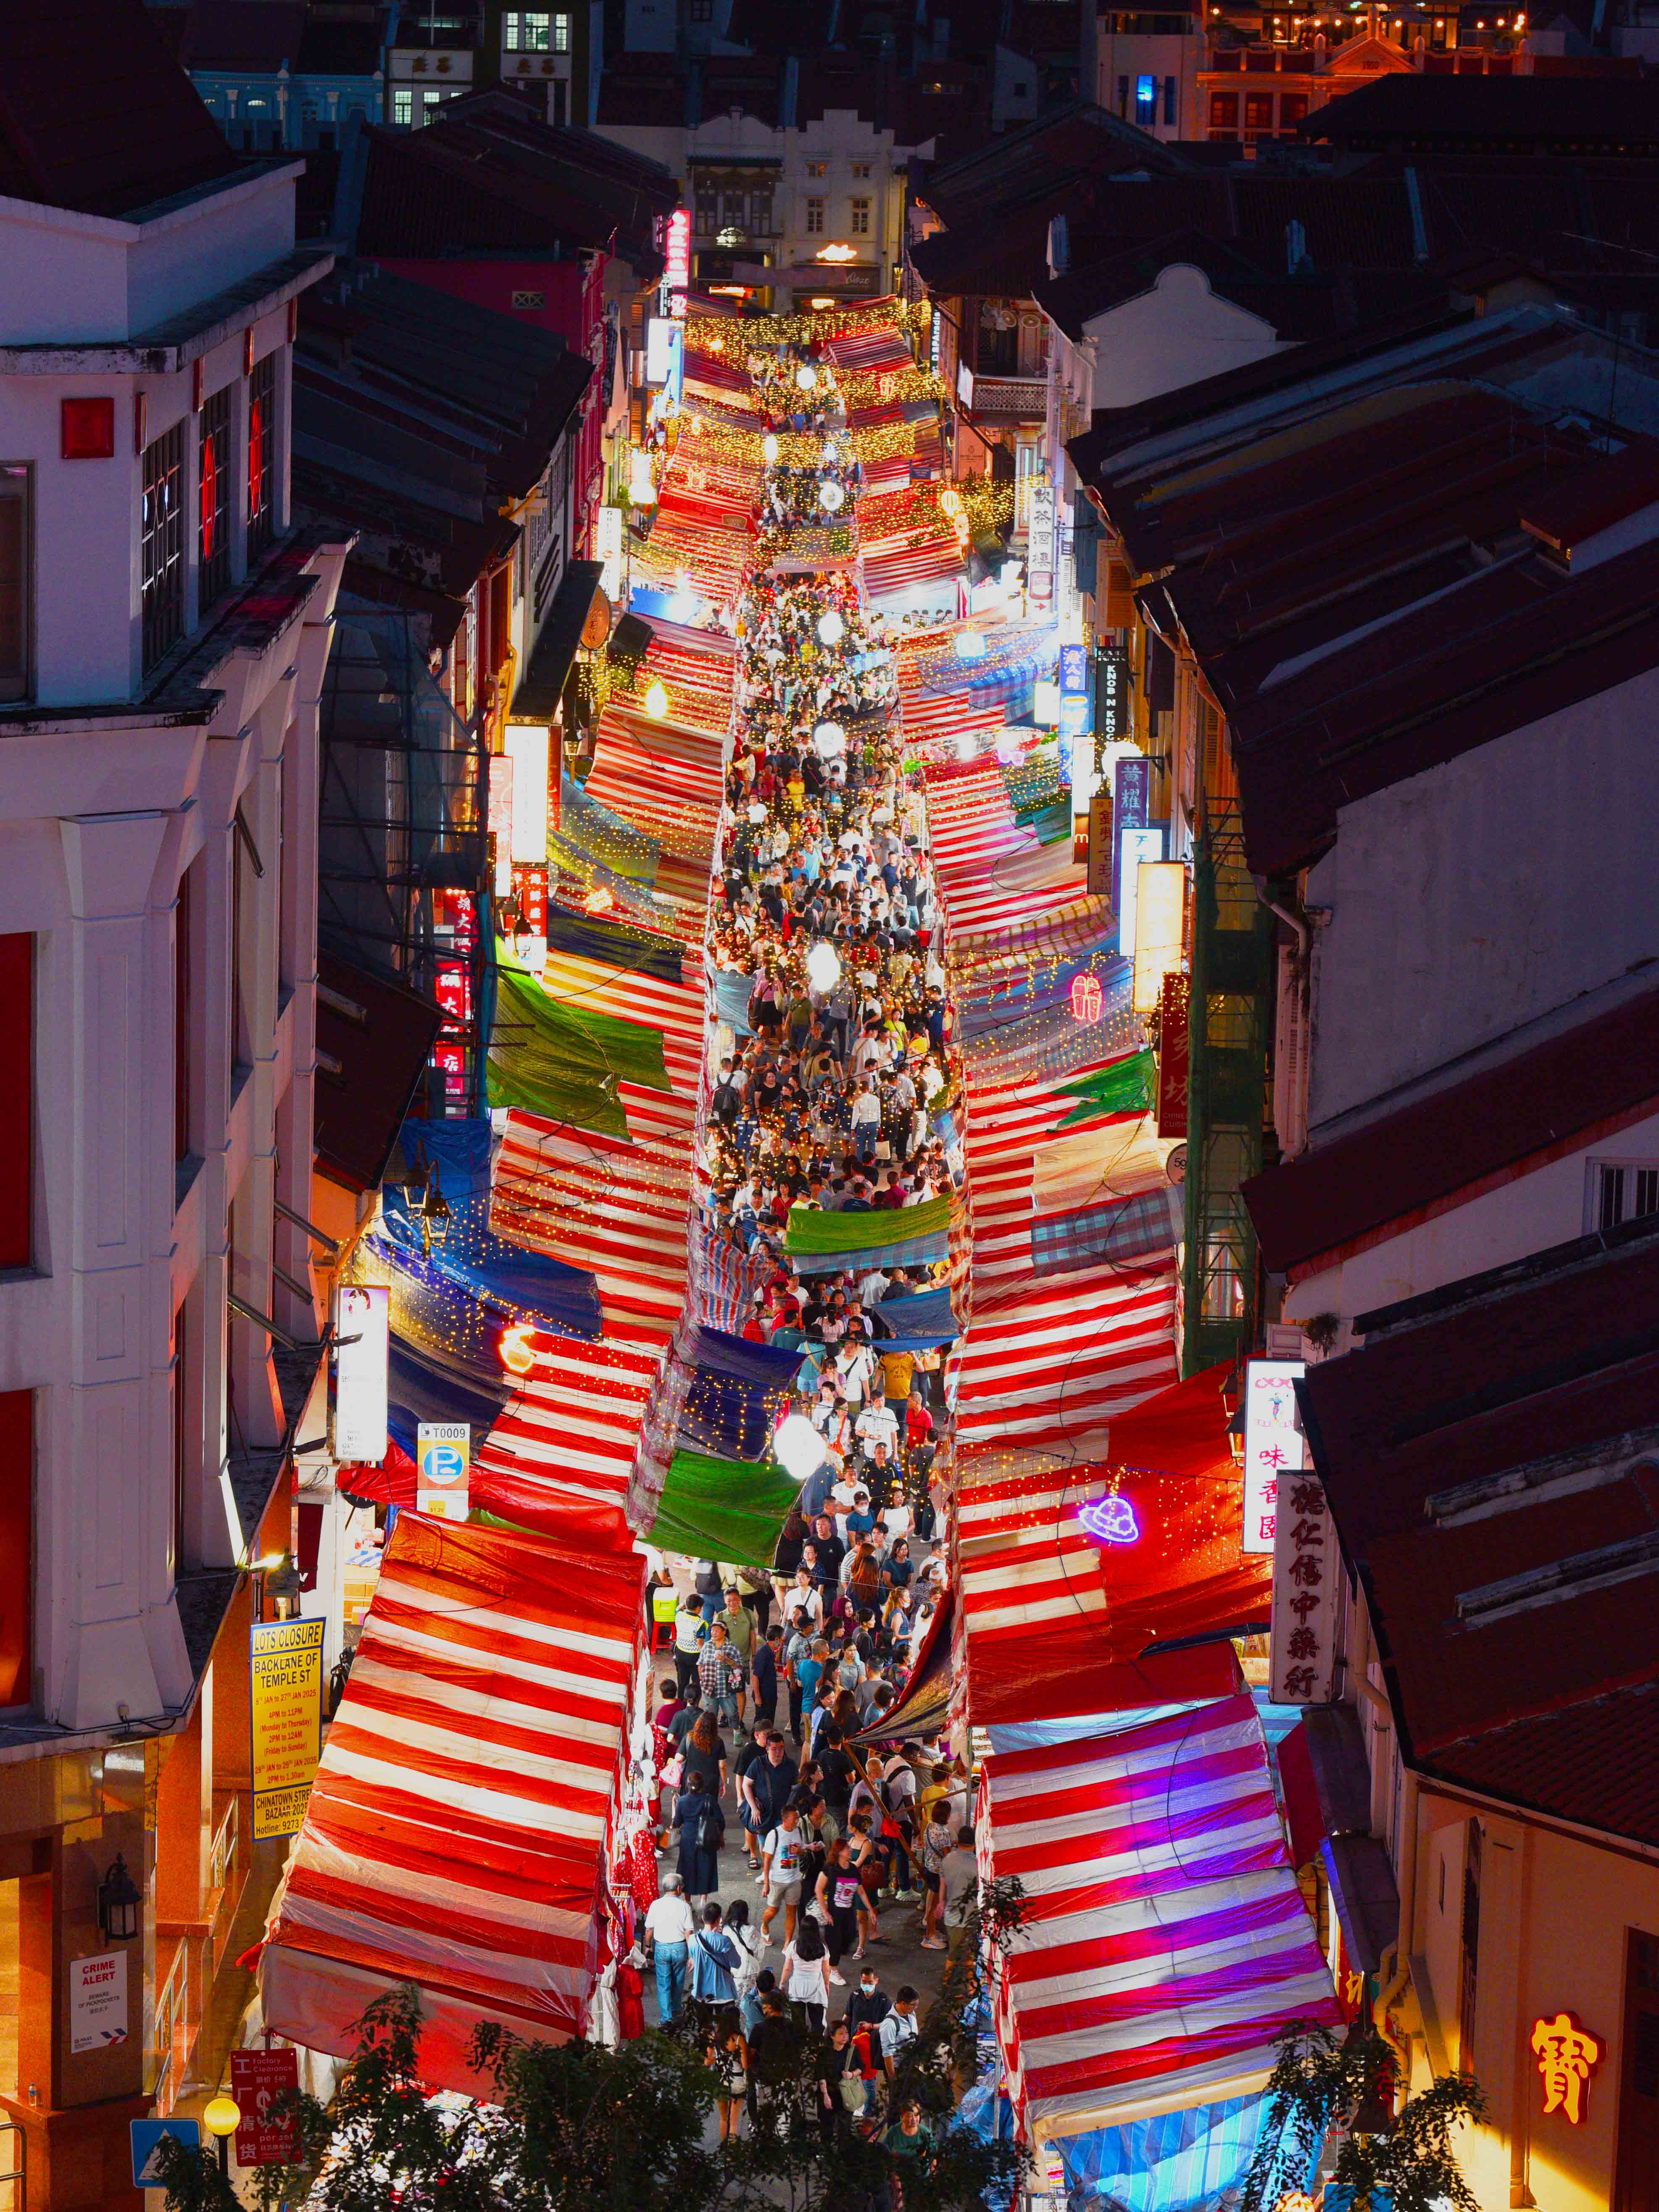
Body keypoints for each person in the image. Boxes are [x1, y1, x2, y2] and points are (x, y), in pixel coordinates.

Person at [643, 1872, 697, 2024]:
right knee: (678, 1982)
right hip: (680, 1949)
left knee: (664, 1983)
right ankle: (676, 2010)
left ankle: (666, 2019)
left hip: (661, 1949)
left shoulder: (656, 1905)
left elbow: (649, 1930)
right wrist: (692, 1955)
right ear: (679, 1889)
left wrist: (647, 1947)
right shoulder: (685, 1906)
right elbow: (689, 1933)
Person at [743, 1731, 800, 1869]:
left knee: (786, 1843)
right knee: (765, 1845)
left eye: (781, 1748)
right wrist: (754, 1809)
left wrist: (792, 1811)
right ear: (767, 1749)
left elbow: (795, 1789)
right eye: (774, 1749)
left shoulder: (790, 1765)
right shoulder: (758, 1764)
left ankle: (785, 1872)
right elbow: (746, 1784)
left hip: (783, 1815)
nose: (778, 1752)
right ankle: (768, 1872)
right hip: (764, 1814)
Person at [673, 1767, 725, 1905]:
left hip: (688, 1839)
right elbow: (721, 1821)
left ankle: (688, 1902)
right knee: (706, 1867)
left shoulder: (682, 1801)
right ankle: (703, 1900)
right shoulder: (710, 1799)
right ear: (703, 1785)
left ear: (688, 1785)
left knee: (687, 1868)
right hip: (707, 1838)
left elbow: (677, 1823)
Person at [759, 1799, 806, 1947]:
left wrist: (800, 1851)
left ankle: (787, 1944)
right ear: (785, 1819)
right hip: (777, 1880)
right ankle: (765, 1925)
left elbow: (803, 1852)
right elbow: (767, 1861)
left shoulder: (799, 1831)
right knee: (773, 1911)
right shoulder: (775, 1835)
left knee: (792, 1911)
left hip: (795, 1879)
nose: (797, 1821)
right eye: (795, 1818)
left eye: (798, 1818)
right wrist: (766, 1883)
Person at [814, 1836, 859, 1981]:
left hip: (848, 1912)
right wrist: (826, 1912)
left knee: (850, 1936)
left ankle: (827, 1957)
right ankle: (833, 1970)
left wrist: (871, 1910)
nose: (850, 1850)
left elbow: (861, 1890)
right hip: (834, 1913)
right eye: (848, 1849)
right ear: (840, 1852)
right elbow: (819, 1890)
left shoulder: (853, 1869)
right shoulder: (830, 1869)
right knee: (835, 1941)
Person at [781, 1913, 831, 2031]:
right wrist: (827, 1985)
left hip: (797, 1988)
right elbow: (826, 1969)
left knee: (798, 2025)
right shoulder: (822, 1947)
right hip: (816, 1988)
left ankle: (801, 2047)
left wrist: (782, 1984)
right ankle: (817, 2046)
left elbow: (787, 1968)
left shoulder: (794, 1946)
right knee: (818, 2024)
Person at [689, 1901, 742, 2007]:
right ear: (719, 1920)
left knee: (703, 2023)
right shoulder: (724, 1941)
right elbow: (737, 1964)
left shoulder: (692, 1940)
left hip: (701, 1995)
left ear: (703, 1918)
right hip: (724, 1995)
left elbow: (695, 1958)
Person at [708, 2013, 749, 2145]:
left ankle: (724, 2148)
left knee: (724, 2118)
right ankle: (733, 2153)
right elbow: (746, 2065)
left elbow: (708, 2062)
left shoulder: (715, 2038)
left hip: (720, 2081)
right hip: (737, 2083)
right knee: (734, 2120)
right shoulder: (738, 2039)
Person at [940, 1824, 978, 1959]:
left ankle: (950, 1979)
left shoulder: (948, 1859)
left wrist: (941, 1903)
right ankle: (954, 1979)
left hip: (950, 1917)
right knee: (967, 1956)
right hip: (968, 1918)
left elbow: (942, 1882)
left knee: (955, 1953)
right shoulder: (977, 1865)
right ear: (974, 1843)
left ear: (958, 1842)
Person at [698, 1617, 744, 1730]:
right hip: (709, 1687)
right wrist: (702, 1679)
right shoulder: (707, 1646)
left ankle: (737, 1733)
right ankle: (709, 1737)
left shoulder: (731, 1647)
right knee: (709, 1717)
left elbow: (739, 1667)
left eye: (717, 1631)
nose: (714, 1633)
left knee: (733, 1714)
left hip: (726, 1689)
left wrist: (727, 1660)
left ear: (724, 1632)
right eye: (713, 1630)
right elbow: (700, 1663)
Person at [878, 1986, 921, 2091]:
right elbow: (888, 2053)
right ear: (903, 2003)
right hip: (899, 2069)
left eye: (917, 2004)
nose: (916, 2008)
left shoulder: (911, 2014)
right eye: (914, 2005)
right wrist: (893, 2079)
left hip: (910, 2065)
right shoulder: (889, 2024)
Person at [672, 1591, 705, 1699]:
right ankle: (694, 1704)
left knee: (682, 1682)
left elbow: (678, 1608)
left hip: (680, 1653)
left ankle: (682, 1705)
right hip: (694, 1657)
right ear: (698, 1609)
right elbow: (700, 1643)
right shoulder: (700, 1623)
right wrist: (704, 1658)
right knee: (696, 1682)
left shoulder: (679, 1615)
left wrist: (685, 1604)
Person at [751, 1622, 783, 1731]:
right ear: (777, 1640)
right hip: (763, 1696)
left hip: (770, 1694)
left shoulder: (770, 1652)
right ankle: (754, 1741)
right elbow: (756, 1677)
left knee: (768, 1722)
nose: (783, 1642)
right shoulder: (763, 1654)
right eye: (782, 1639)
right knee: (761, 1723)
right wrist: (758, 1697)